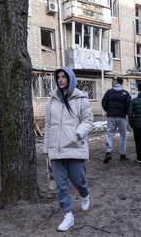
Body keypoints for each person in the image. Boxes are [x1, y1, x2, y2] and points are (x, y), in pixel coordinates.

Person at [43, 67, 93, 232]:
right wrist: (47, 148)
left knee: (79, 180)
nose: (60, 80)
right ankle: (68, 215)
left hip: (74, 146)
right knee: (61, 184)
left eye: (64, 77)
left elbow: (88, 121)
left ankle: (85, 194)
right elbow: (48, 125)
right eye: (58, 77)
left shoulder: (81, 98)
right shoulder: (52, 100)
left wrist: (77, 133)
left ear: (70, 78)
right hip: (56, 150)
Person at [101, 77, 132, 163]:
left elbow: (103, 102)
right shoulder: (125, 93)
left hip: (111, 116)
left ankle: (108, 152)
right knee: (123, 136)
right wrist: (124, 112)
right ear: (122, 83)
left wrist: (109, 110)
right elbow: (129, 105)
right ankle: (122, 154)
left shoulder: (109, 92)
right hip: (121, 116)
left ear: (116, 82)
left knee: (110, 134)